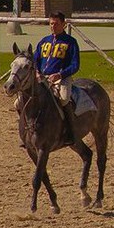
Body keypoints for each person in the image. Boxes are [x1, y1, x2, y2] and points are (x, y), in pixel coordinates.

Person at [34, 11, 81, 145]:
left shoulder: (71, 42)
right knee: (19, 101)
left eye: (56, 23)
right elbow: (35, 59)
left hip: (61, 78)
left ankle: (70, 132)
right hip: (42, 78)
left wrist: (60, 75)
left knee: (64, 98)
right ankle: (27, 130)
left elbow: (75, 65)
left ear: (64, 24)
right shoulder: (44, 41)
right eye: (51, 23)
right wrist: (37, 72)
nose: (53, 26)